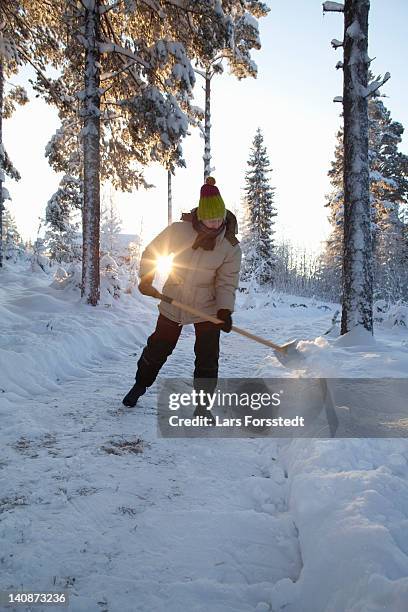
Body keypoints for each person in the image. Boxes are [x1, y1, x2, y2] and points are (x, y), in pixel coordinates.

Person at [122, 177, 242, 419]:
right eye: (209, 219)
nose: (214, 224)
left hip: (207, 307)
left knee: (208, 357)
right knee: (159, 347)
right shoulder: (178, 231)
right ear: (199, 216)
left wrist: (224, 310)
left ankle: (203, 406)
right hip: (174, 300)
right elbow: (152, 252)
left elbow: (226, 282)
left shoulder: (230, 246)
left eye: (218, 219)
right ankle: (140, 385)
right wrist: (147, 277)